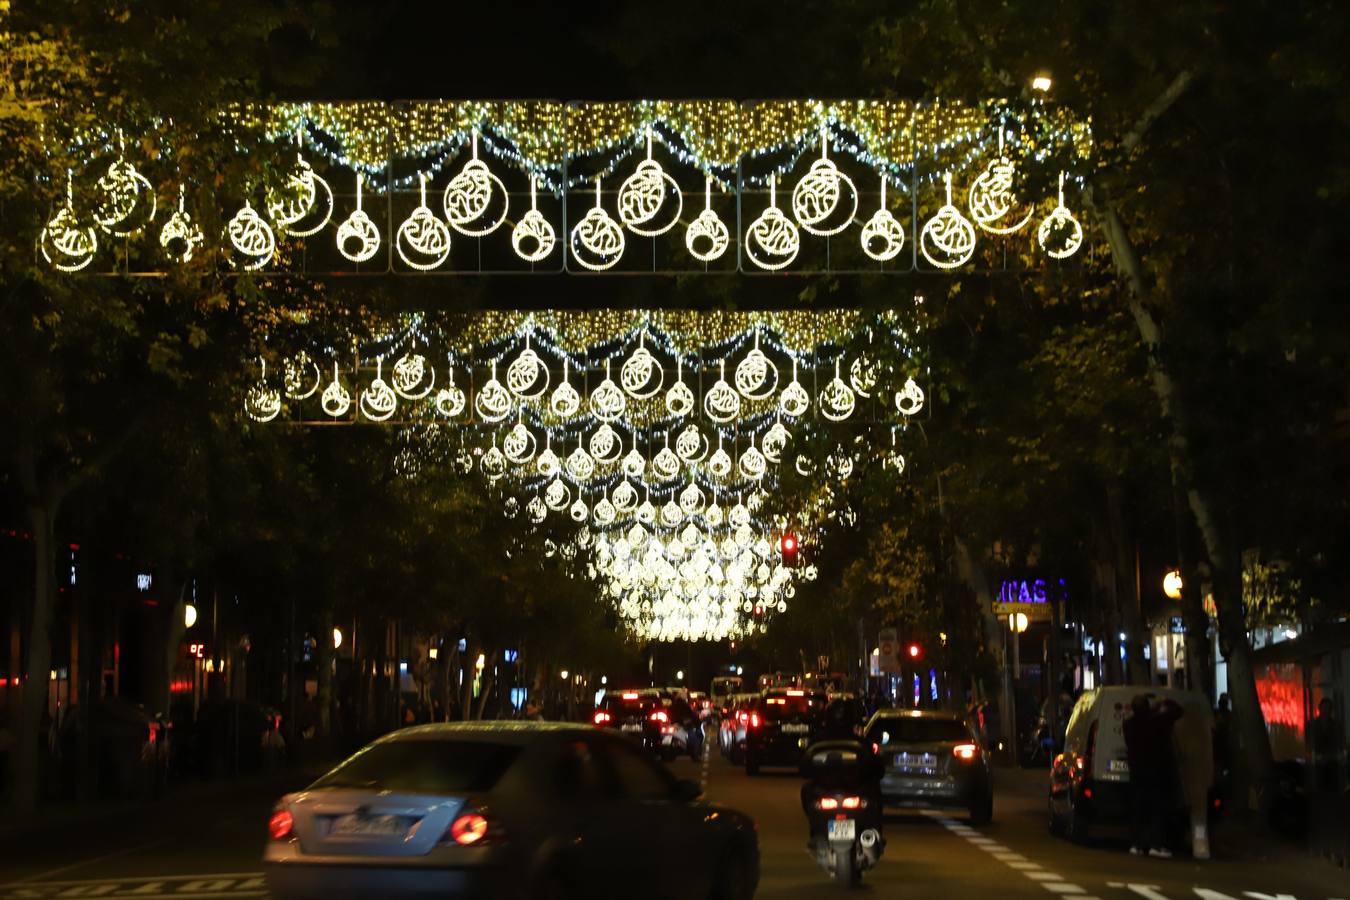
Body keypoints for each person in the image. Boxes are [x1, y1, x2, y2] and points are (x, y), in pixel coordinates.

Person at [1123, 694, 1184, 858]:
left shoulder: (1128, 725)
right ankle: (1156, 844)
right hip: (1157, 772)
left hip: (1137, 772)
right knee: (1157, 810)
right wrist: (1162, 702)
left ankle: (1137, 844)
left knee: (1138, 809)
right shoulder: (1158, 722)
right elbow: (1178, 711)